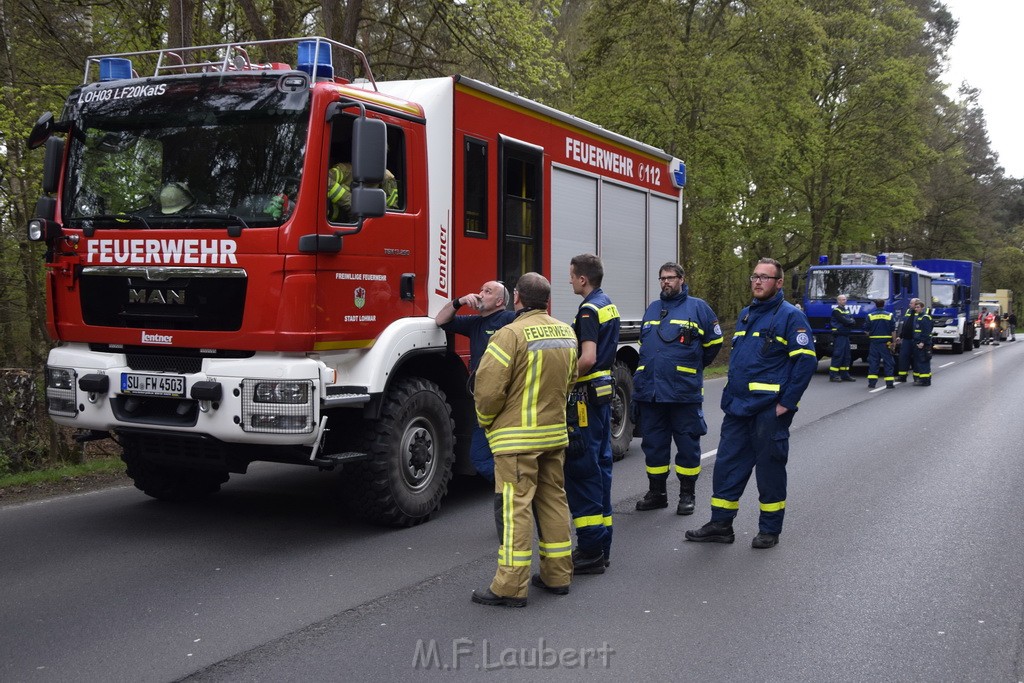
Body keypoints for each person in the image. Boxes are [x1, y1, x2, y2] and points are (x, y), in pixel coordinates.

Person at [685, 258, 816, 549]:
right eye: (754, 276)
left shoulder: (790, 317)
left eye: (765, 278)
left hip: (769, 411)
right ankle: (720, 525)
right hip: (738, 409)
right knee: (727, 467)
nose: (757, 282)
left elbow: (806, 362)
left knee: (769, 471)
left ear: (779, 283)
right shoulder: (746, 315)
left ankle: (769, 529)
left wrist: (787, 403)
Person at [470, 273, 578, 607]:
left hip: (517, 441)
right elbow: (570, 381)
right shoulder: (566, 332)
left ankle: (509, 587)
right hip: (554, 435)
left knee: (515, 509)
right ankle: (557, 575)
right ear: (546, 299)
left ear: (517, 297)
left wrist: (487, 422)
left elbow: (487, 391)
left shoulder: (509, 334)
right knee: (553, 502)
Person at [632, 262, 722, 516]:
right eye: (662, 278)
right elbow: (644, 344)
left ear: (682, 279)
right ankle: (657, 493)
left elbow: (714, 343)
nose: (665, 282)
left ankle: (687, 495)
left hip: (683, 392)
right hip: (651, 392)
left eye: (670, 278)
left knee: (687, 444)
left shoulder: (698, 307)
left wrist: (693, 366)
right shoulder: (652, 309)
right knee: (654, 444)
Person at [566, 254, 619, 575]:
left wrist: (563, 379)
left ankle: (589, 551)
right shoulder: (607, 303)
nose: (569, 280)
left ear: (583, 279)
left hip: (584, 398)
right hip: (601, 397)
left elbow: (587, 357)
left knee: (582, 470)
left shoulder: (588, 309)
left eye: (571, 276)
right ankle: (603, 545)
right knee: (600, 469)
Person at [435, 281, 516, 480]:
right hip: (483, 401)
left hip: (507, 400)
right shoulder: (475, 323)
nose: (480, 294)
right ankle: (511, 485)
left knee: (510, 452)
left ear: (499, 301)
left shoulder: (509, 318)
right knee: (479, 458)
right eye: (480, 289)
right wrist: (459, 302)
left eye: (487, 291)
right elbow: (440, 321)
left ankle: (515, 490)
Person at [327, 161, 398, 221]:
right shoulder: (345, 170)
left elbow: (391, 216)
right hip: (337, 225)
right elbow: (326, 181)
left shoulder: (388, 178)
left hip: (369, 229)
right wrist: (352, 203)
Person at [865, 300, 895, 389]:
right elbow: (893, 330)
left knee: (873, 362)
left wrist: (871, 335)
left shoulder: (870, 316)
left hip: (874, 343)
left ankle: (872, 383)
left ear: (876, 305)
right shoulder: (889, 315)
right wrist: (893, 343)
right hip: (886, 343)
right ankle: (889, 384)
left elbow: (866, 330)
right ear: (883, 305)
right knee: (888, 363)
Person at [829, 294, 856, 382]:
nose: (844, 301)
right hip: (839, 335)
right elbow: (844, 320)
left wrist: (849, 321)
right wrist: (849, 322)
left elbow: (853, 321)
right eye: (843, 299)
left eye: (845, 299)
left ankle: (845, 374)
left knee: (846, 356)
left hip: (846, 335)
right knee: (838, 355)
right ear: (838, 301)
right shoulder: (836, 311)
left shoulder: (847, 310)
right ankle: (833, 375)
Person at [895, 300, 919, 382]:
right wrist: (900, 336)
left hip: (915, 339)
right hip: (906, 339)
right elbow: (905, 324)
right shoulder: (908, 311)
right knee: (903, 358)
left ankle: (917, 378)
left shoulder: (921, 312)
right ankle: (902, 376)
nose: (909, 304)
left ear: (916, 304)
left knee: (916, 359)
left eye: (911, 303)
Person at [911, 299, 933, 386]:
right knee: (919, 362)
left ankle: (925, 380)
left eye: (918, 307)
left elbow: (926, 332)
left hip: (923, 344)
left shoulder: (925, 318)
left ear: (922, 308)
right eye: (915, 307)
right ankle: (921, 379)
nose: (916, 309)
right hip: (917, 342)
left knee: (923, 362)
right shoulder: (918, 317)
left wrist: (922, 342)